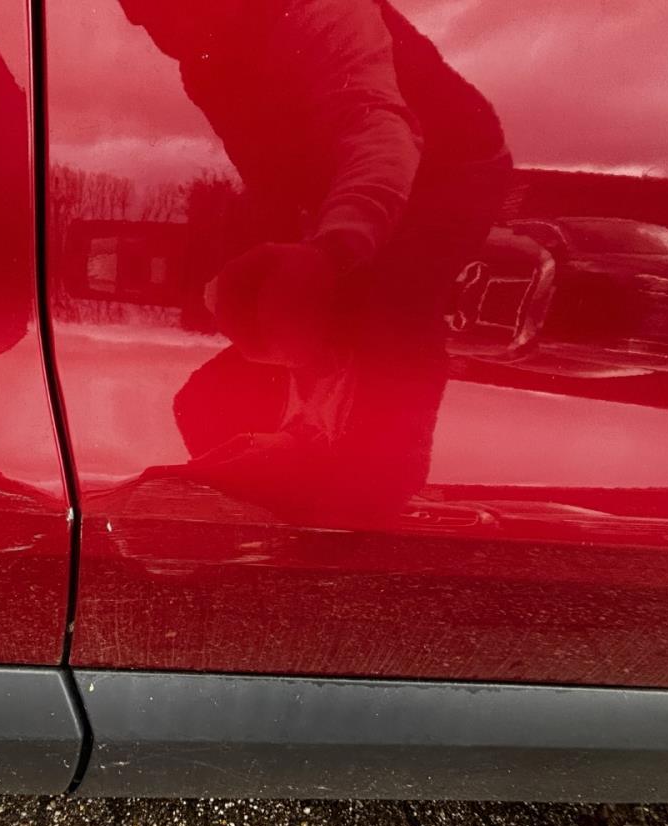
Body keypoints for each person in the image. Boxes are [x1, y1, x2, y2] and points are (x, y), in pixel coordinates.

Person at [122, 0, 513, 527]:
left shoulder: (320, 9)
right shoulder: (204, 63)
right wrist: (281, 252)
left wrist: (332, 251)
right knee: (211, 399)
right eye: (140, 16)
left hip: (448, 168)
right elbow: (272, 170)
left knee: (388, 325)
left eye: (161, 11)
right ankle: (285, 469)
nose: (148, 26)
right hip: (337, 181)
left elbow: (374, 129)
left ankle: (368, 503)